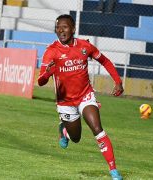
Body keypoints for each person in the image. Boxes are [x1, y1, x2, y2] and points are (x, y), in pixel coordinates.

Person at [37, 14, 124, 180]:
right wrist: (48, 73)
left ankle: (113, 170)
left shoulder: (85, 46)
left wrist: (118, 81)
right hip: (65, 102)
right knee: (76, 138)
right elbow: (40, 81)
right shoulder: (51, 51)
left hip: (85, 95)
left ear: (73, 28)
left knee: (97, 128)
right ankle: (64, 130)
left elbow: (104, 61)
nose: (61, 30)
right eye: (58, 27)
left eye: (65, 27)